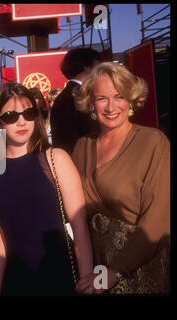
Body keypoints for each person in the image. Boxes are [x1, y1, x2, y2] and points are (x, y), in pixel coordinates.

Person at [72, 62, 170, 294]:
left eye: (119, 96)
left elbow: (158, 219)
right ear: (91, 103)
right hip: (96, 265)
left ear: (130, 99)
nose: (110, 106)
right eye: (101, 98)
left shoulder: (153, 142)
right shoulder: (82, 146)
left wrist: (115, 271)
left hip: (141, 267)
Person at [0, 83, 94, 295]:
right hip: (16, 280)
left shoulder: (56, 159)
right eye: (10, 115)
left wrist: (87, 279)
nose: (21, 121)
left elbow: (79, 225)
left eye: (28, 113)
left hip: (60, 276)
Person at [50, 47, 100, 155]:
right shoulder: (78, 96)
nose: (100, 72)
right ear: (86, 67)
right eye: (98, 67)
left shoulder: (66, 96)